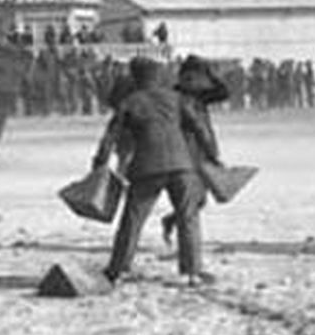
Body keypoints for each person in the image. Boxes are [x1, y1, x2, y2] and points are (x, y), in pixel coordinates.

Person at [93, 57, 216, 286]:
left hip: (147, 167)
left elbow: (110, 136)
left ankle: (117, 270)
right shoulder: (176, 98)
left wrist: (99, 163)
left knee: (133, 219)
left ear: (135, 77)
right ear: (158, 77)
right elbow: (198, 127)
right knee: (188, 216)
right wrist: (212, 155)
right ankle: (192, 272)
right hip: (181, 165)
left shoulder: (130, 102)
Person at [160, 55, 229, 246]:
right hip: (186, 151)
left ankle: (172, 221)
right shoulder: (175, 95)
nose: (191, 80)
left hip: (202, 150)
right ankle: (188, 247)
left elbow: (223, 92)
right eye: (188, 76)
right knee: (191, 198)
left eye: (195, 76)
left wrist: (210, 73)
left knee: (199, 199)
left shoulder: (200, 95)